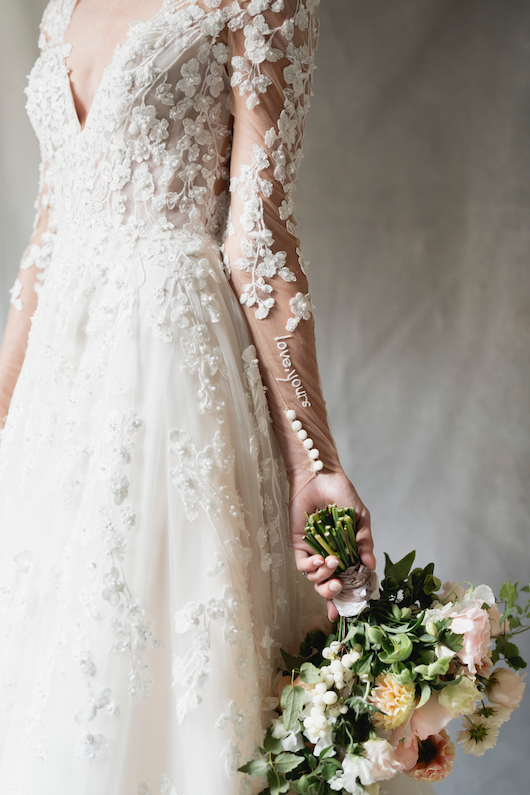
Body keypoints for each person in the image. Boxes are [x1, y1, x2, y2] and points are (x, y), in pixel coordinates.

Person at [0, 1, 431, 793]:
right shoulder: (63, 5)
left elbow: (257, 240)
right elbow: (46, 242)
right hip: (58, 393)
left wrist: (315, 463)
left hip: (170, 375)